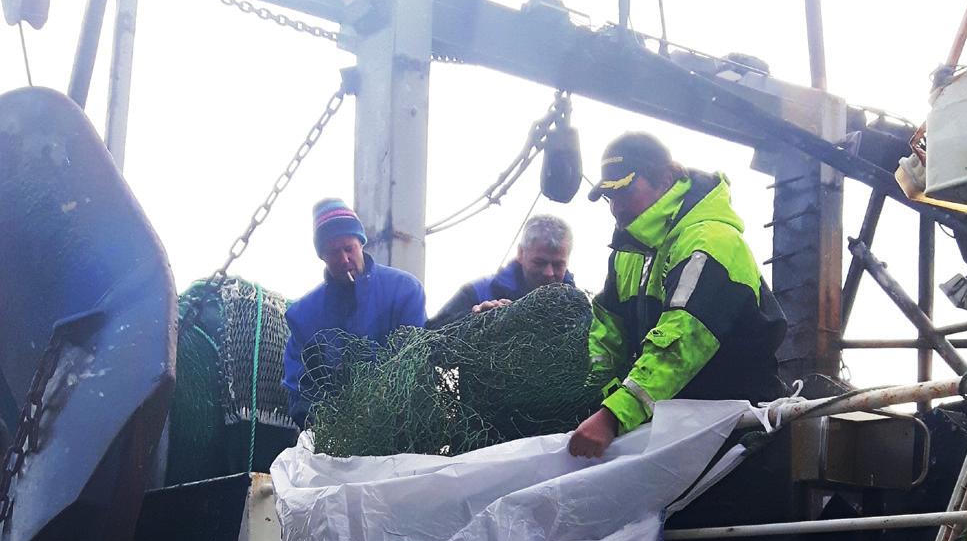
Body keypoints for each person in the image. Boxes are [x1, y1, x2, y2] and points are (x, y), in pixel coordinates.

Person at [569, 132, 786, 458]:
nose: (616, 207)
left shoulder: (710, 240)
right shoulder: (627, 252)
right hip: (671, 439)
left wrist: (613, 416)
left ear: (666, 178)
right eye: (608, 196)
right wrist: (592, 399)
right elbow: (606, 337)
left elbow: (681, 341)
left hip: (740, 438)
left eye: (624, 190)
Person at [283, 198, 426, 427]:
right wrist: (323, 422)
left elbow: (416, 360)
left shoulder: (405, 290)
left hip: (400, 430)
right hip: (335, 437)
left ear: (361, 243)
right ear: (322, 256)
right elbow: (299, 386)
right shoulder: (303, 315)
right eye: (332, 252)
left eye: (348, 248)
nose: (344, 259)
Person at [426, 214, 575, 328]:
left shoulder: (580, 310)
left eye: (558, 264)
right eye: (539, 262)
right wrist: (475, 321)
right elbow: (429, 338)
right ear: (521, 253)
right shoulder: (478, 292)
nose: (548, 273)